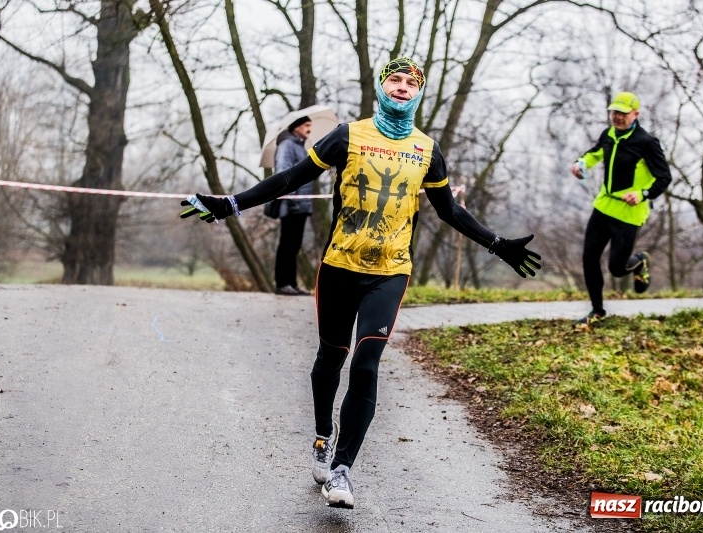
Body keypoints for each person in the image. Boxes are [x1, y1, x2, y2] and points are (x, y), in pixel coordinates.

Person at [179, 57, 541, 509]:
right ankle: (321, 436)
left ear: (419, 93)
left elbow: (449, 210)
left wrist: (497, 243)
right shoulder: (348, 136)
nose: (404, 86)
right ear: (381, 86)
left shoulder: (427, 150)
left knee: (366, 363)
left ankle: (342, 469)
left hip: (390, 271)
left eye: (413, 82)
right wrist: (232, 203)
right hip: (339, 267)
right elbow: (291, 178)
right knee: (331, 358)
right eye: (396, 79)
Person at [570, 91, 672, 325]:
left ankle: (639, 261)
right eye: (614, 112)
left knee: (616, 268)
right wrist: (581, 164)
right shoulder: (608, 134)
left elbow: (664, 177)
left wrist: (642, 194)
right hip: (603, 207)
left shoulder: (646, 143)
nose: (617, 117)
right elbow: (596, 153)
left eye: (623, 113)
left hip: (629, 214)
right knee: (589, 257)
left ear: (635, 114)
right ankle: (597, 311)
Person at [273, 116, 314, 296]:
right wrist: (291, 201)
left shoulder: (300, 146)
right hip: (292, 205)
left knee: (294, 245)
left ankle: (292, 283)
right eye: (306, 125)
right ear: (296, 127)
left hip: (301, 204)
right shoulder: (287, 146)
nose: (309, 129)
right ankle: (283, 284)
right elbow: (283, 174)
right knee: (287, 244)